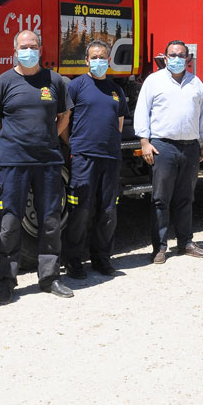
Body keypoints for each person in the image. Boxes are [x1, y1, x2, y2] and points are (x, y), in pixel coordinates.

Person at [0, 30, 74, 304]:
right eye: (24, 46)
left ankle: (49, 278)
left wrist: (45, 140)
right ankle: (6, 282)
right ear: (15, 50)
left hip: (48, 162)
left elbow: (65, 115)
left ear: (41, 48)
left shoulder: (55, 81)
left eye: (33, 46)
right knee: (10, 222)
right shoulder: (3, 82)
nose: (28, 50)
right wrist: (16, 144)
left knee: (50, 221)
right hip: (14, 164)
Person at [134, 40, 203, 264]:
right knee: (160, 199)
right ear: (165, 57)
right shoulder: (154, 81)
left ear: (188, 59)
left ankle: (185, 242)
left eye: (181, 55)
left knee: (186, 198)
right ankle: (159, 247)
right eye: (172, 55)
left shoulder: (195, 83)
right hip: (163, 147)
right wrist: (144, 142)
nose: (177, 59)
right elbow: (142, 111)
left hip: (189, 147)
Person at [61, 40, 130, 278]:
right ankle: (73, 261)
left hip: (110, 157)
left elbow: (119, 124)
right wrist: (75, 144)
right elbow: (63, 121)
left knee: (108, 210)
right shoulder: (76, 86)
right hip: (83, 157)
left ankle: (101, 259)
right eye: (94, 57)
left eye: (103, 57)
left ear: (109, 61)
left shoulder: (116, 90)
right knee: (81, 210)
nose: (99, 61)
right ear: (87, 60)